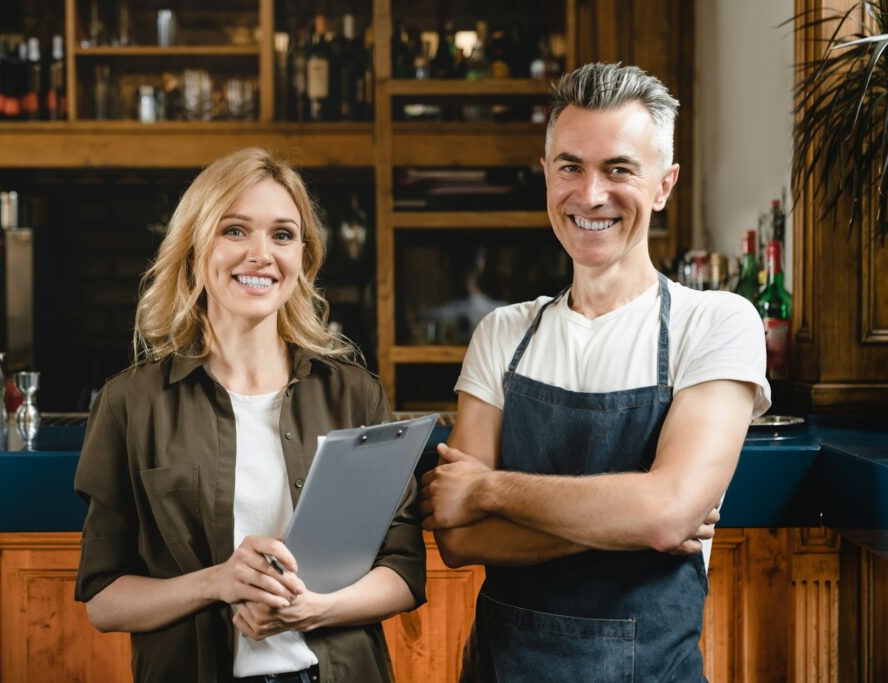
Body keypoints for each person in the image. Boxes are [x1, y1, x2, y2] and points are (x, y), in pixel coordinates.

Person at [420, 63, 771, 681]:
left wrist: (489, 488)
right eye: (570, 167)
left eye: (619, 169)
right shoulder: (503, 334)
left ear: (664, 185)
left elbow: (666, 512)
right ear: (546, 176)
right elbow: (459, 536)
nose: (590, 195)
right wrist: (630, 522)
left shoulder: (715, 324)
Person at [74, 147, 426, 683]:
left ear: (302, 258)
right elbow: (103, 600)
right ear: (196, 249)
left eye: (282, 235)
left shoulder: (355, 395)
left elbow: (402, 570)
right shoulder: (131, 403)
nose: (261, 254)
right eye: (235, 230)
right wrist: (216, 582)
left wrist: (316, 609)